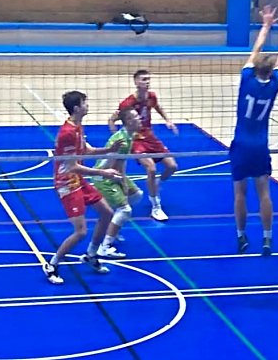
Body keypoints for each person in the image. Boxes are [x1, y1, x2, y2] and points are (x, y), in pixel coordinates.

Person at [230, 5, 278, 256]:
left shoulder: (246, 79)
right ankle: (267, 238)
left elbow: (255, 50)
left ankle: (241, 236)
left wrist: (266, 25)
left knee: (240, 193)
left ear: (255, 69)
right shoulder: (274, 84)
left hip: (241, 144)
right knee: (264, 192)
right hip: (260, 146)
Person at [42, 91, 124, 285]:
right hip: (67, 184)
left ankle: (91, 255)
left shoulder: (77, 126)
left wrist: (109, 150)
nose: (88, 105)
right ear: (77, 108)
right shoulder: (67, 133)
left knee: (107, 213)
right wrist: (104, 173)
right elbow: (72, 166)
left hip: (78, 180)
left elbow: (86, 150)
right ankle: (52, 264)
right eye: (85, 103)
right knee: (80, 232)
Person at [109, 70, 178, 221]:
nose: (147, 82)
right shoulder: (127, 103)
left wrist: (168, 120)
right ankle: (156, 207)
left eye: (148, 79)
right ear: (136, 82)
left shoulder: (151, 96)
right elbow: (112, 120)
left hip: (150, 136)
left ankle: (157, 183)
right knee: (151, 168)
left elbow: (157, 107)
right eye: (143, 79)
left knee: (172, 167)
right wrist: (119, 138)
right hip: (136, 140)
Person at [94, 107, 144, 259]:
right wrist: (121, 182)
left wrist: (124, 181)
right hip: (103, 177)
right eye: (136, 117)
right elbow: (112, 165)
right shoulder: (122, 141)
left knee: (136, 194)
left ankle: (114, 225)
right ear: (128, 121)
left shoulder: (127, 136)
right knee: (125, 210)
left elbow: (121, 163)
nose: (140, 119)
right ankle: (105, 247)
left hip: (113, 171)